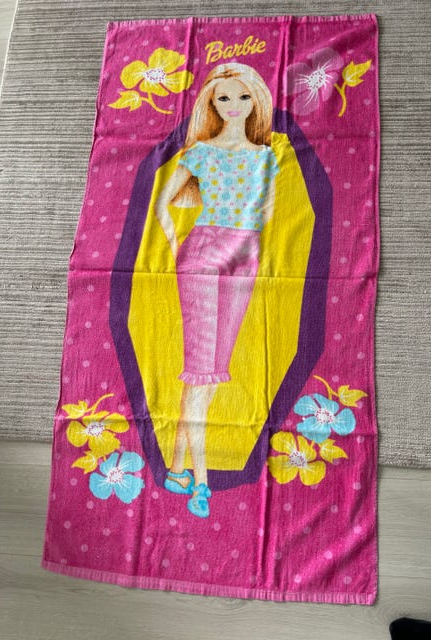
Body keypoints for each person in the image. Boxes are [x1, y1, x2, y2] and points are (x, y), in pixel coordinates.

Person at [154, 62, 280, 518]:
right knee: (200, 371)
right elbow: (163, 204)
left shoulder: (266, 157)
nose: (233, 105)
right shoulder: (201, 152)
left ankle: (176, 467)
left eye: (242, 96)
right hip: (203, 254)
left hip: (246, 258)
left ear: (255, 100)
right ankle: (202, 482)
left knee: (211, 370)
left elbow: (266, 216)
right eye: (223, 98)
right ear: (211, 103)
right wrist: (177, 246)